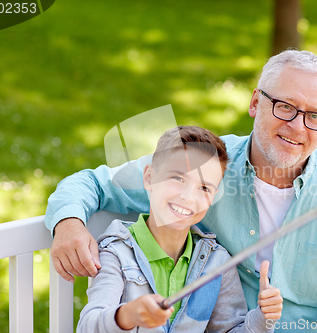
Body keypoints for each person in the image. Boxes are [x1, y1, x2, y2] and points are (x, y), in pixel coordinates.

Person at [46, 50, 317, 332]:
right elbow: (93, 183)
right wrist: (69, 223)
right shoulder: (206, 166)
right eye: (285, 106)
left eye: (315, 116)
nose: (297, 127)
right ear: (256, 102)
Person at [77, 126, 282, 332]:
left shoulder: (218, 263)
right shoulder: (116, 252)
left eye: (204, 188)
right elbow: (89, 325)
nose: (188, 197)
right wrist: (128, 315)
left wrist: (262, 318)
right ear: (149, 177)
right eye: (178, 178)